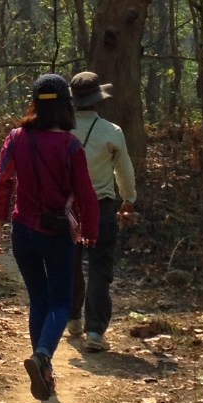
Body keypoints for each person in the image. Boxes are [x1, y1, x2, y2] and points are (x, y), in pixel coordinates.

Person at [0, 73, 100, 401]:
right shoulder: (70, 145)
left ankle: (44, 372)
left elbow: (0, 181)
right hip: (56, 234)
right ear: (66, 105)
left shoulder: (16, 137)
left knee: (38, 299)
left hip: (23, 233)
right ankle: (43, 356)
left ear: (34, 104)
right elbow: (86, 194)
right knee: (61, 302)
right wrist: (90, 232)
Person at [66, 71, 136, 353]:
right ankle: (95, 331)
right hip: (101, 206)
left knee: (70, 264)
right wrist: (128, 199)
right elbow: (125, 171)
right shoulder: (112, 131)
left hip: (67, 210)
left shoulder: (59, 130)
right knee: (99, 268)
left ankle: (73, 319)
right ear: (98, 100)